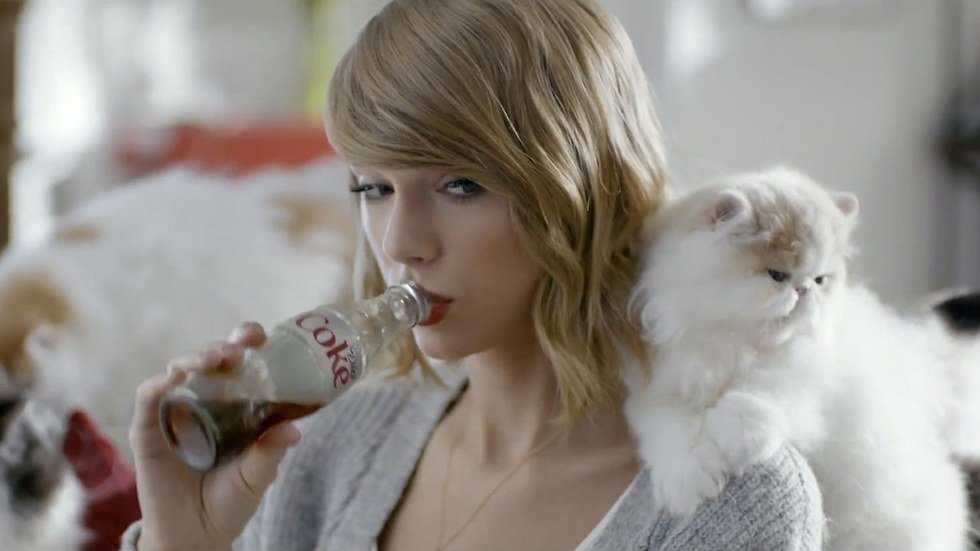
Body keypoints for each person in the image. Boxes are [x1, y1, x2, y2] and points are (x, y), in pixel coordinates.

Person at [122, 1, 824, 549]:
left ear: (583, 191)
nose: (401, 242)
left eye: (461, 185)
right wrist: (183, 542)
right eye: (374, 188)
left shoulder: (731, 501)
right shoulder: (324, 447)